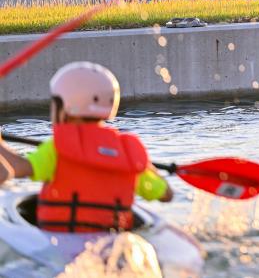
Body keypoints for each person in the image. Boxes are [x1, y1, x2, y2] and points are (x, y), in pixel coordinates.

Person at [0, 62, 173, 232]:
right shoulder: (128, 154)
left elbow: (14, 169)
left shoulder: (58, 148)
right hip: (113, 243)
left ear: (64, 105)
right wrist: (145, 166)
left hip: (62, 242)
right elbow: (167, 195)